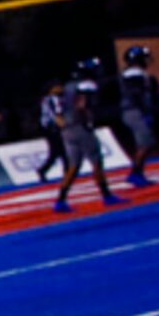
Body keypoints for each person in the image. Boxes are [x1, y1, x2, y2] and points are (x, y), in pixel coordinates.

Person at [56, 62, 121, 213]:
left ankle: (61, 199)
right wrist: (88, 122)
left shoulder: (67, 87)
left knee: (73, 166)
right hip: (80, 126)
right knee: (96, 160)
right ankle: (107, 195)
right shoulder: (86, 85)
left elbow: (58, 112)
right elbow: (82, 105)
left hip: (67, 129)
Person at [114, 44, 159, 187]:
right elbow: (136, 94)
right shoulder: (134, 73)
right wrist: (146, 111)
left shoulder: (135, 72)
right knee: (146, 143)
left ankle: (138, 173)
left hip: (134, 110)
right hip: (135, 111)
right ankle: (135, 174)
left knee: (145, 143)